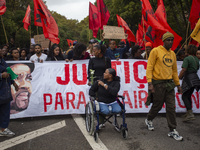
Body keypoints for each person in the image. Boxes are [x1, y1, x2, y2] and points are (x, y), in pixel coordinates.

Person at [145, 32, 183, 141]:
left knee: (171, 107)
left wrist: (178, 85)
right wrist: (150, 83)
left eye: (172, 40)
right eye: (168, 40)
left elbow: (174, 71)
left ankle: (172, 130)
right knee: (157, 105)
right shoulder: (155, 51)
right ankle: (149, 119)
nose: (170, 42)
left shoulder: (173, 54)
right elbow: (149, 68)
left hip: (169, 85)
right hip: (158, 84)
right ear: (163, 41)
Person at [178, 44, 200, 121]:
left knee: (184, 96)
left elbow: (184, 69)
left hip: (189, 79)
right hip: (195, 79)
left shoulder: (187, 59)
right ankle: (189, 112)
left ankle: (190, 113)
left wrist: (178, 78)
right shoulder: (196, 59)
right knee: (188, 95)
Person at [0, 47, 18, 137]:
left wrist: (14, 83)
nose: (2, 51)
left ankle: (3, 129)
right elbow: (4, 74)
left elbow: (9, 72)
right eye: (0, 50)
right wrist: (1, 75)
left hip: (5, 91)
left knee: (5, 111)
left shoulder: (2, 61)